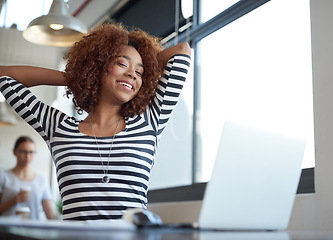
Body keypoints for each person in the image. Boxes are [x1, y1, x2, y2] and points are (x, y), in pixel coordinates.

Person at [0, 23, 191, 221]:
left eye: (140, 72)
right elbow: (3, 74)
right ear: (99, 67)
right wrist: (78, 77)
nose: (132, 74)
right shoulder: (58, 127)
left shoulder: (150, 121)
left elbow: (182, 50)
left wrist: (148, 67)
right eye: (122, 64)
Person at [0, 136, 56, 220]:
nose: (27, 156)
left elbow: (50, 214)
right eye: (23, 152)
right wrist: (14, 200)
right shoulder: (3, 176)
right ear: (15, 152)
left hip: (34, 231)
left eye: (31, 152)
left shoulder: (41, 181)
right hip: (6, 231)